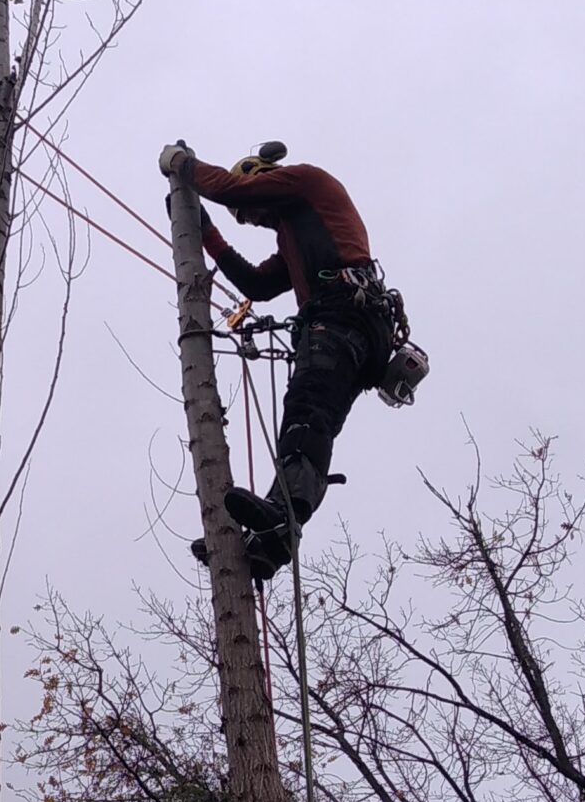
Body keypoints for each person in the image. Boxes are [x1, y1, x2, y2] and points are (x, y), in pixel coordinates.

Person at [158, 139, 421, 580]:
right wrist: (207, 233)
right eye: (248, 220)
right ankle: (271, 542)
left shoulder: (305, 182)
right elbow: (258, 285)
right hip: (353, 326)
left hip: (344, 314)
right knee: (308, 415)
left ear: (262, 177)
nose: (255, 220)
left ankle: (283, 517)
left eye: (254, 211)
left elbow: (229, 188)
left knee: (307, 408)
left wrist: (183, 165)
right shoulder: (294, 237)